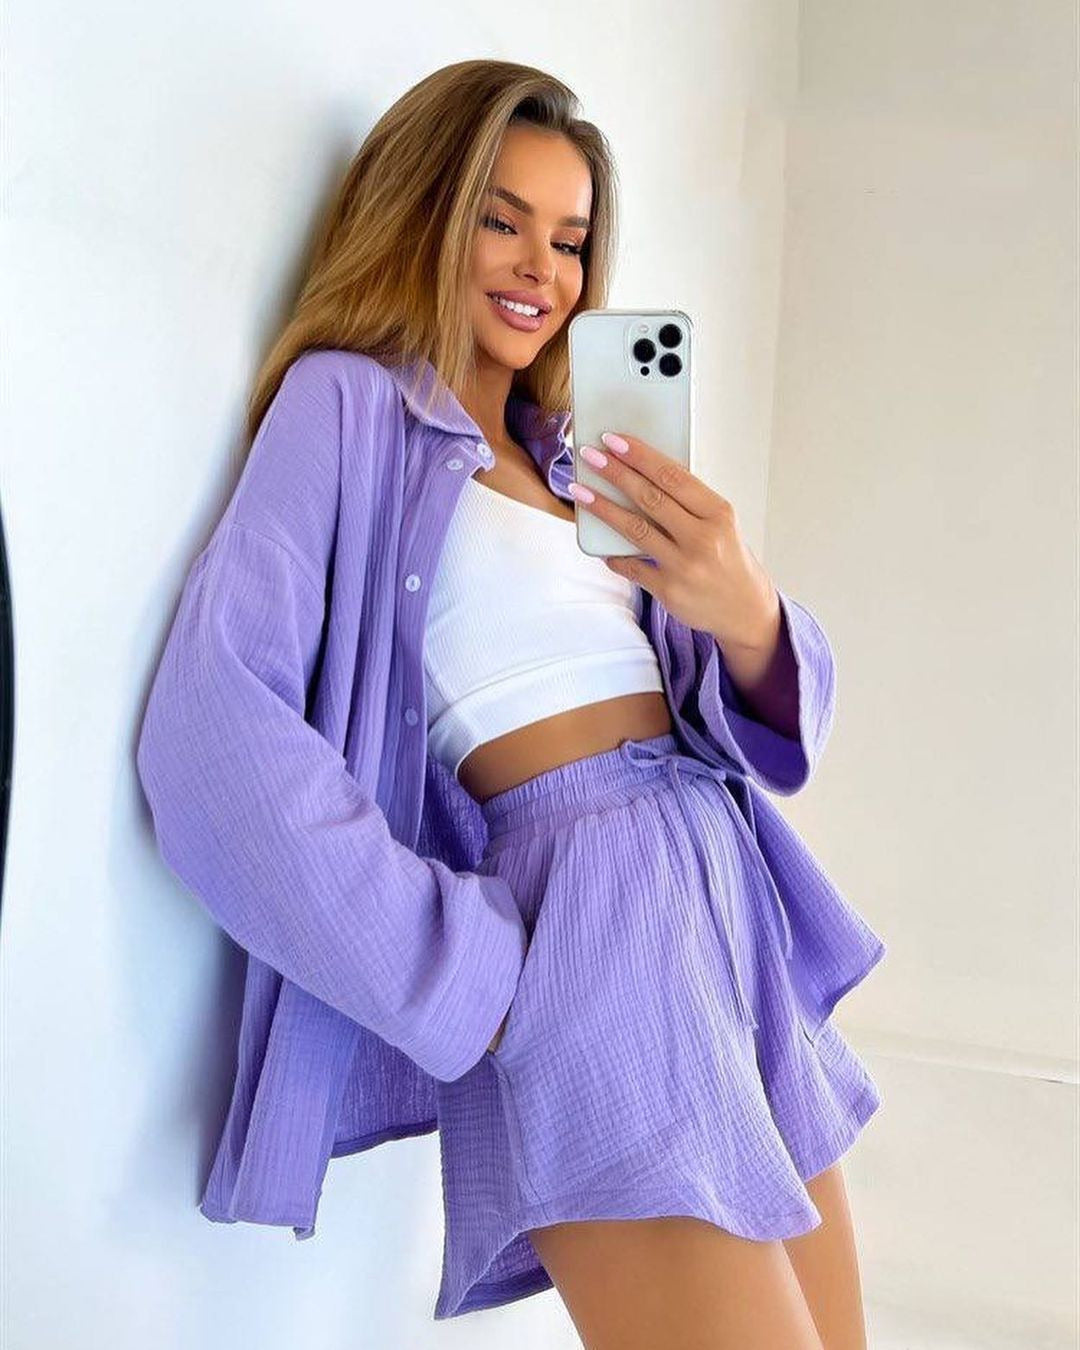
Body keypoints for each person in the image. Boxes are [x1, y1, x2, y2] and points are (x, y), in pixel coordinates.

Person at [136, 59, 887, 1347]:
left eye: (572, 239)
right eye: (503, 219)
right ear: (427, 210)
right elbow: (211, 730)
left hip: (727, 899)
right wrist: (466, 973)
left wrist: (746, 608)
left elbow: (746, 719)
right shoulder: (350, 408)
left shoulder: (585, 457)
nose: (544, 268)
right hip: (592, 919)